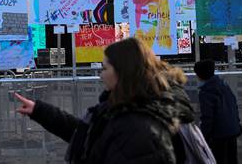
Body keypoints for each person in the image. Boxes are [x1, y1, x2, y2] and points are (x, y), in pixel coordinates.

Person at [15, 38, 195, 163]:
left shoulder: (139, 126)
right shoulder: (124, 109)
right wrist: (40, 111)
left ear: (122, 72)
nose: (101, 74)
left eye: (105, 68)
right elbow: (89, 136)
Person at [194, 59, 241, 164]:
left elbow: (207, 117)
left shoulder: (206, 92)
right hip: (232, 129)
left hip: (219, 133)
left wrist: (203, 137)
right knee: (232, 159)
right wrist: (237, 124)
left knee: (219, 159)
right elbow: (234, 104)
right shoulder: (223, 85)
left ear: (200, 75)